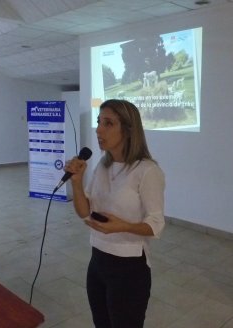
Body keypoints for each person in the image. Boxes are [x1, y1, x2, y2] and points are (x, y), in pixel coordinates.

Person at [64, 99, 165, 328]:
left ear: (129, 130)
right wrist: (77, 184)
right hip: (97, 261)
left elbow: (156, 224)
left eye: (108, 123)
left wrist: (123, 226)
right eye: (99, 122)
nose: (99, 129)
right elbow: (84, 213)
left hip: (129, 268)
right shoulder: (102, 165)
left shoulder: (147, 171)